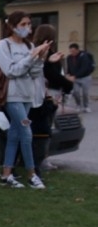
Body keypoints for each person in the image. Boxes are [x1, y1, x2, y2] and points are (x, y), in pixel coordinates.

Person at [0, 11, 50, 189]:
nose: (27, 28)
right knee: (26, 133)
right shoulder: (4, 45)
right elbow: (12, 71)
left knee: (15, 134)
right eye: (23, 24)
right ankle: (32, 174)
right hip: (13, 96)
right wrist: (31, 57)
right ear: (12, 26)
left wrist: (40, 58)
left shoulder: (29, 45)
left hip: (27, 95)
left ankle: (6, 174)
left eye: (29, 24)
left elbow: (34, 73)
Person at [29, 25, 70, 176]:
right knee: (44, 126)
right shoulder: (40, 53)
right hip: (46, 93)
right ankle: (41, 159)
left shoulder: (42, 52)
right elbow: (51, 75)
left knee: (42, 126)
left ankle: (39, 158)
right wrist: (67, 84)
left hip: (46, 92)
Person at [66, 43, 94, 113]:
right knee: (76, 92)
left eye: (73, 51)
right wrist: (68, 75)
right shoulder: (69, 57)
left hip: (85, 77)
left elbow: (84, 68)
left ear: (77, 50)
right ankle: (78, 105)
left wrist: (75, 76)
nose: (72, 53)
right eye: (70, 51)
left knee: (85, 93)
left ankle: (86, 106)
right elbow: (69, 67)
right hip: (75, 78)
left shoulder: (84, 56)